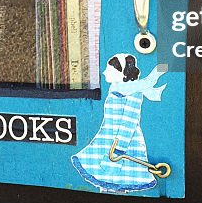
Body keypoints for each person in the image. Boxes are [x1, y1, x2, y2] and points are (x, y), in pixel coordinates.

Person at [71, 54, 167, 193]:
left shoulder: (133, 92)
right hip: (107, 138)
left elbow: (130, 121)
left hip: (123, 143)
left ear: (121, 73)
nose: (104, 72)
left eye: (109, 70)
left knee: (118, 180)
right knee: (105, 180)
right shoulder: (116, 87)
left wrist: (119, 149)